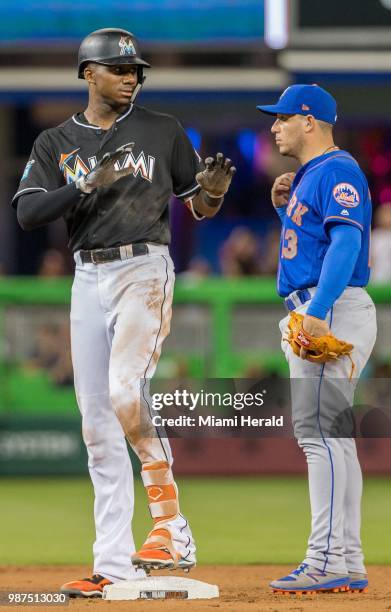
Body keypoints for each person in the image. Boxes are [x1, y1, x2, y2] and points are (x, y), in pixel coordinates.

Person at [12, 28, 235, 598]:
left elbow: (201, 205)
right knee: (96, 426)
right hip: (88, 276)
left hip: (144, 267)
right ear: (88, 73)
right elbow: (29, 214)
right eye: (120, 69)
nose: (132, 77)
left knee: (125, 391)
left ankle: (171, 526)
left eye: (137, 70)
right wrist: (80, 185)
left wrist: (211, 194)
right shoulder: (55, 141)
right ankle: (112, 563)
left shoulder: (162, 130)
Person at [257, 84, 376, 595]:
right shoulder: (313, 176)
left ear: (309, 121)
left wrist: (318, 312)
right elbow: (315, 245)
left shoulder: (336, 170)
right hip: (322, 307)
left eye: (282, 118)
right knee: (335, 440)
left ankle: (324, 559)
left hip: (330, 309)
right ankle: (346, 558)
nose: (273, 127)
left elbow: (347, 241)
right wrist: (286, 211)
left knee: (319, 438)